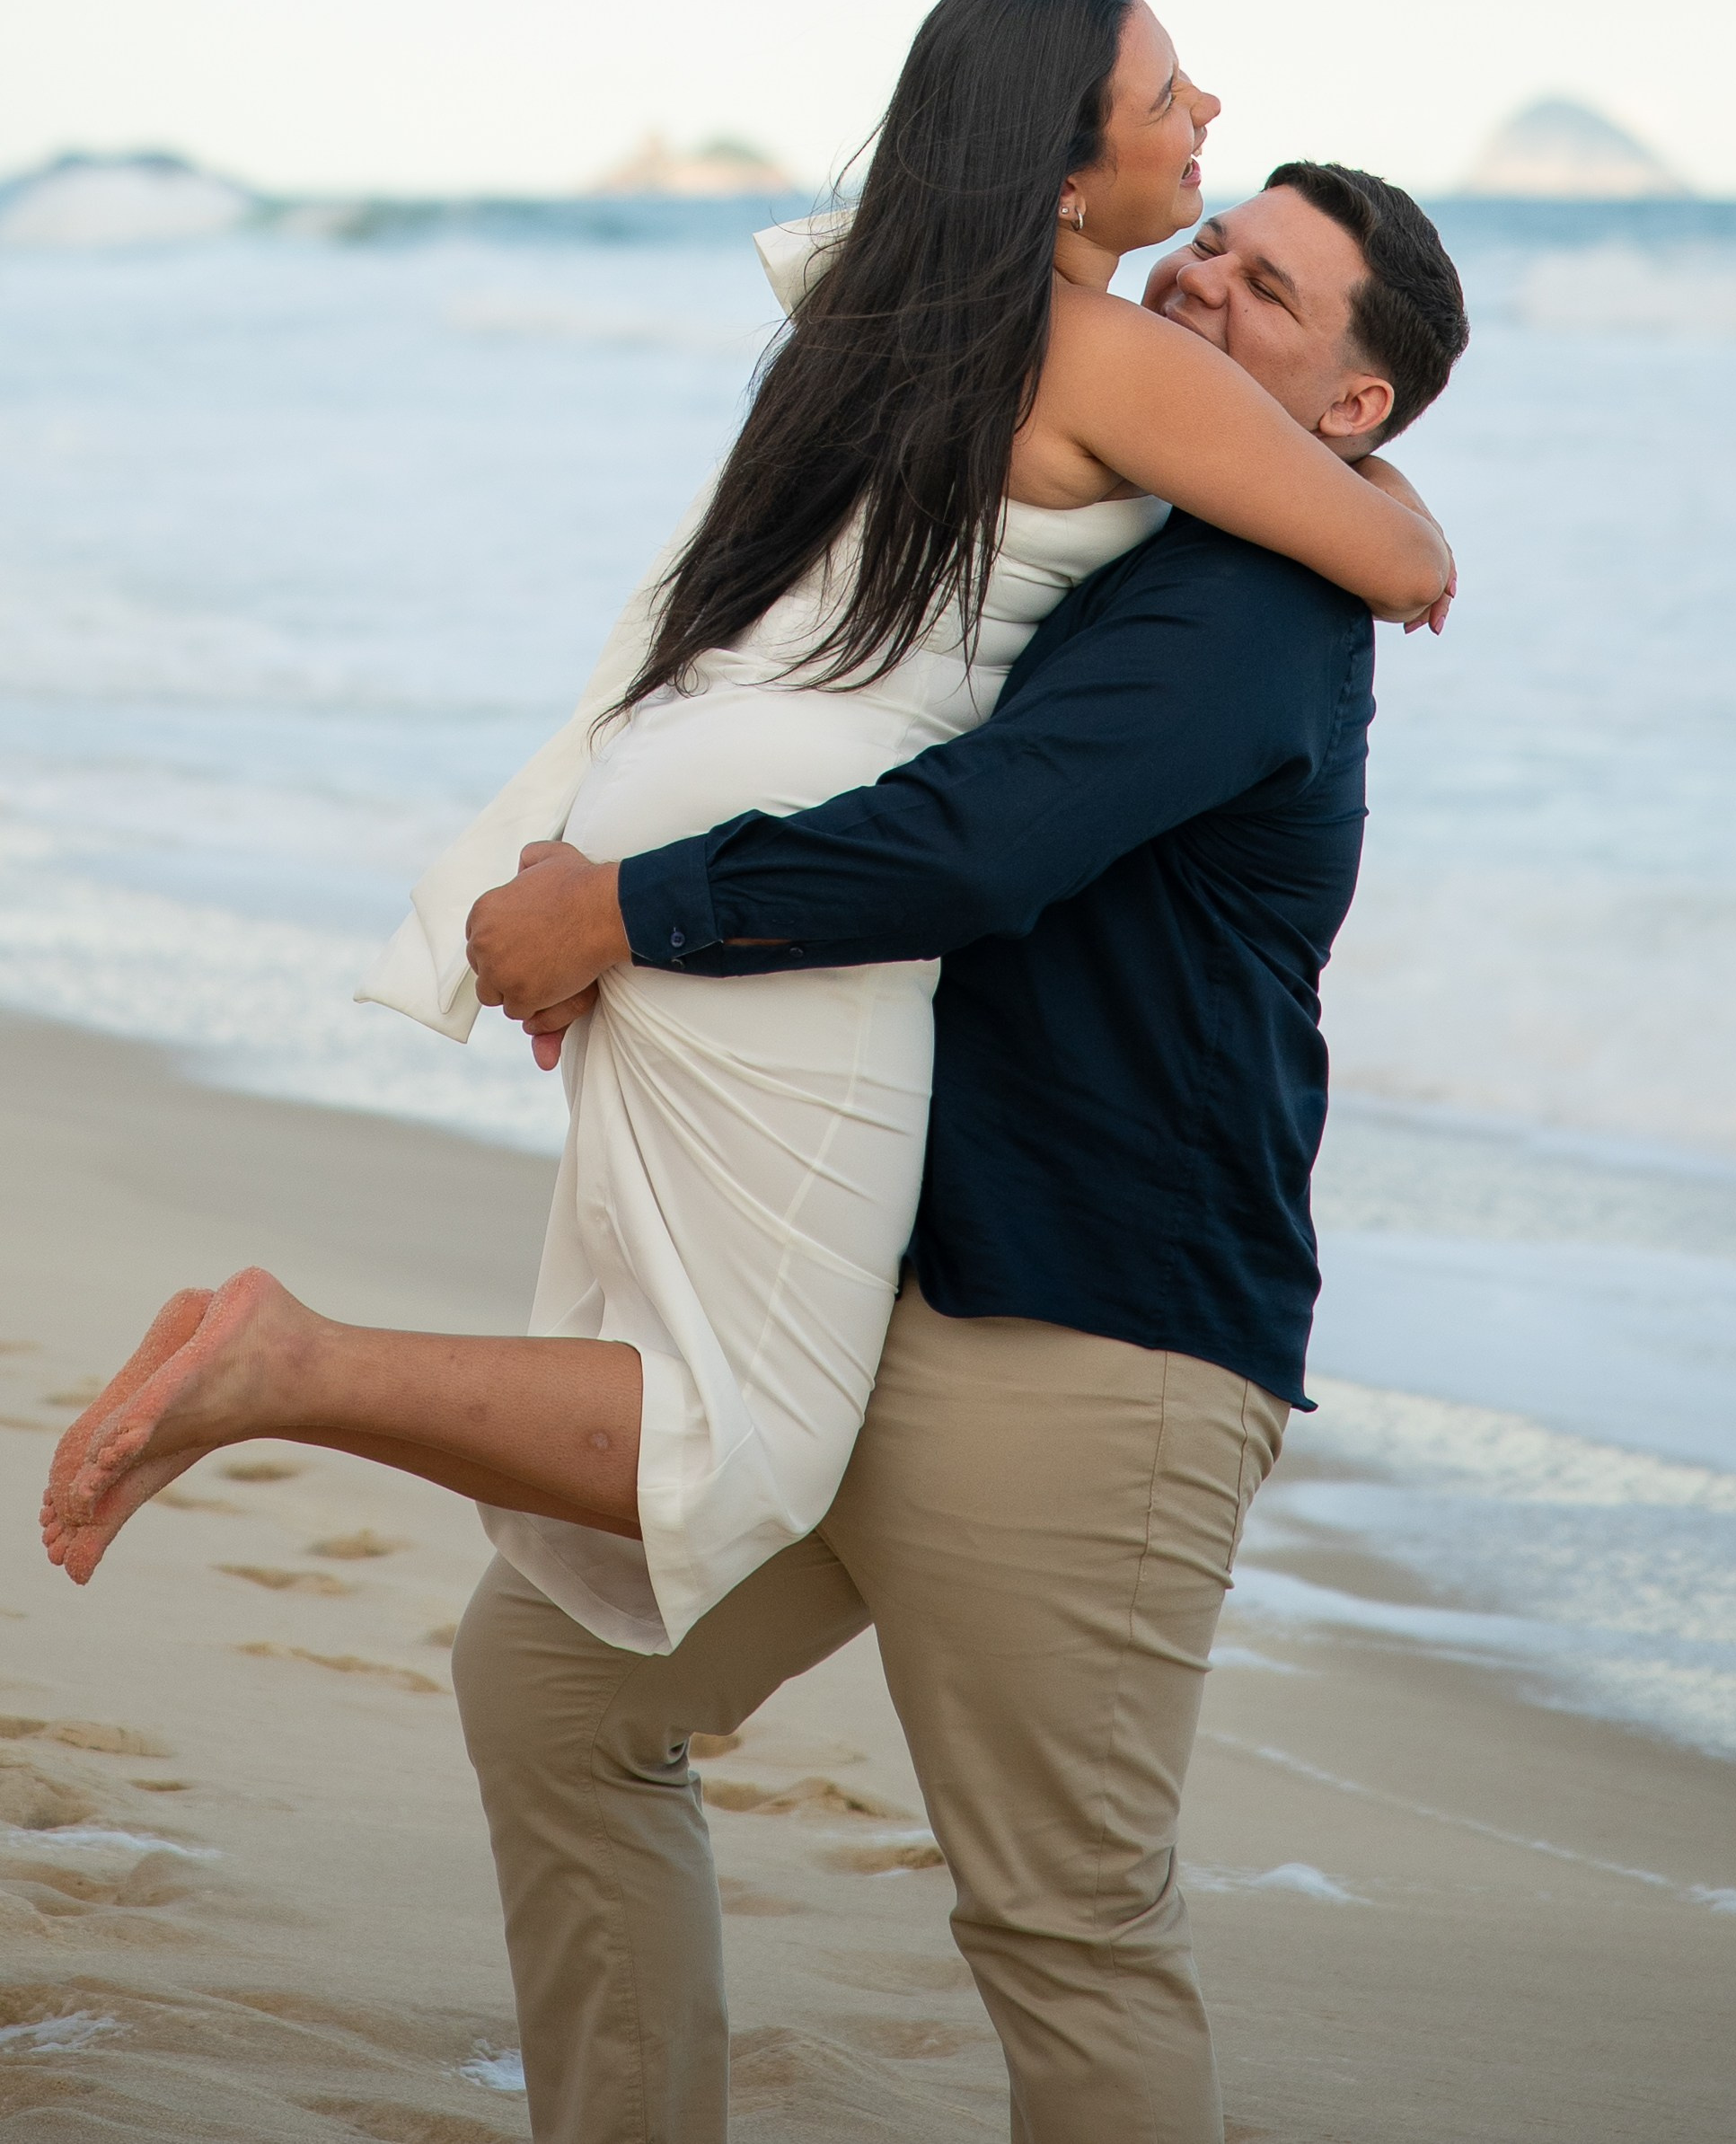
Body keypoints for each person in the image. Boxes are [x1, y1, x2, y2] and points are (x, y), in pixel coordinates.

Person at [40, 0, 1450, 1613]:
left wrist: (581, 853)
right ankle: (285, 1367)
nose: (1203, 113)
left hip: (682, 794)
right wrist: (1390, 480)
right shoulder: (1105, 359)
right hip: (794, 856)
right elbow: (1397, 557)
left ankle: (332, 1419)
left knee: (656, 1353)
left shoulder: (885, 313)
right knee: (739, 1439)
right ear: (1067, 177)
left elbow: (703, 593)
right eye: (1167, 99)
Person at [454, 158, 1470, 2144]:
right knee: (559, 1691)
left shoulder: (1254, 604)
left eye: (1263, 289)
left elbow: (979, 841)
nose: (1198, 281)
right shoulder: (1115, 521)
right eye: (1206, 240)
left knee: (1062, 1926)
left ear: (1349, 411)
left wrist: (626, 909)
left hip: (1091, 1339)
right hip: (873, 1282)